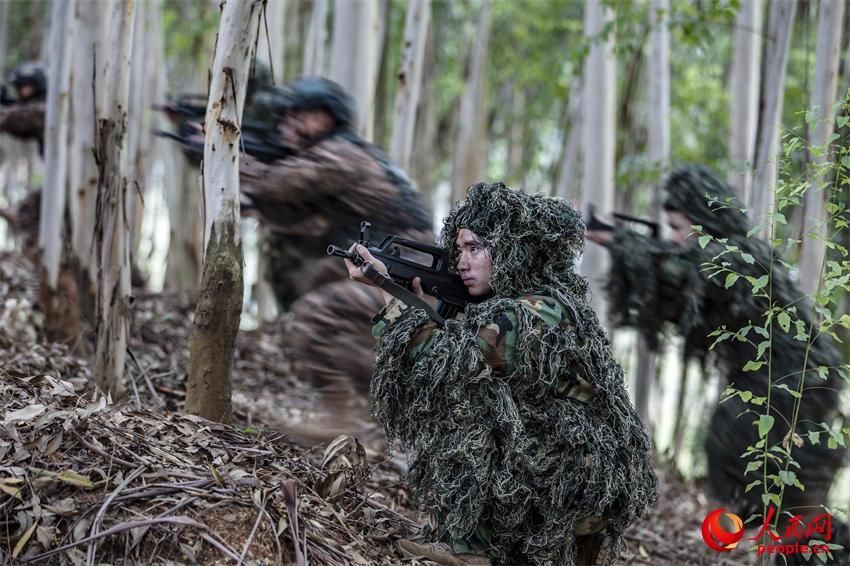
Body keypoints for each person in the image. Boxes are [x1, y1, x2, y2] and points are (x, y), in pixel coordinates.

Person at [347, 182, 657, 565]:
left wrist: (393, 300)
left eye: (475, 248)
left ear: (513, 250)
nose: (462, 262)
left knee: (463, 391)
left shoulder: (539, 310)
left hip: (576, 484)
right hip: (555, 474)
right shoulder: (515, 302)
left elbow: (453, 362)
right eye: (459, 249)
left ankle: (470, 548)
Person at [586, 165, 848, 561]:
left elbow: (677, 269)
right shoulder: (738, 254)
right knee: (784, 497)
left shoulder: (736, 256)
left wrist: (610, 236)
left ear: (702, 220)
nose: (674, 237)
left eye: (678, 226)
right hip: (792, 384)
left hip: (793, 386)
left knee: (744, 461)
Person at [0, 63, 47, 151]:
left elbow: (24, 114)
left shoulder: (44, 108)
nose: (21, 91)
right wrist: (7, 102)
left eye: (24, 86)